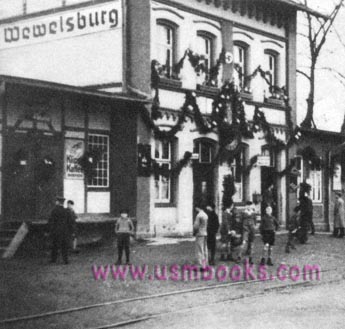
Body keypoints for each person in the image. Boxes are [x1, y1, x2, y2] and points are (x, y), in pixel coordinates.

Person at [48, 196, 74, 264]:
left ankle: (53, 260)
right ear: (63, 203)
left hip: (56, 231)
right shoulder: (66, 211)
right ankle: (65, 260)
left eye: (56, 201)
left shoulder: (54, 211)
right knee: (64, 246)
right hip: (65, 232)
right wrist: (71, 231)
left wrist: (50, 231)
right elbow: (70, 222)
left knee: (55, 246)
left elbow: (51, 222)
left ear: (58, 202)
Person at [193, 205, 208, 270]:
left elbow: (196, 226)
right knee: (204, 250)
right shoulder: (205, 215)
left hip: (199, 234)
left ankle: (200, 266)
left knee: (199, 250)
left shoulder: (199, 215)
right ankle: (205, 264)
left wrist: (194, 232)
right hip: (205, 233)